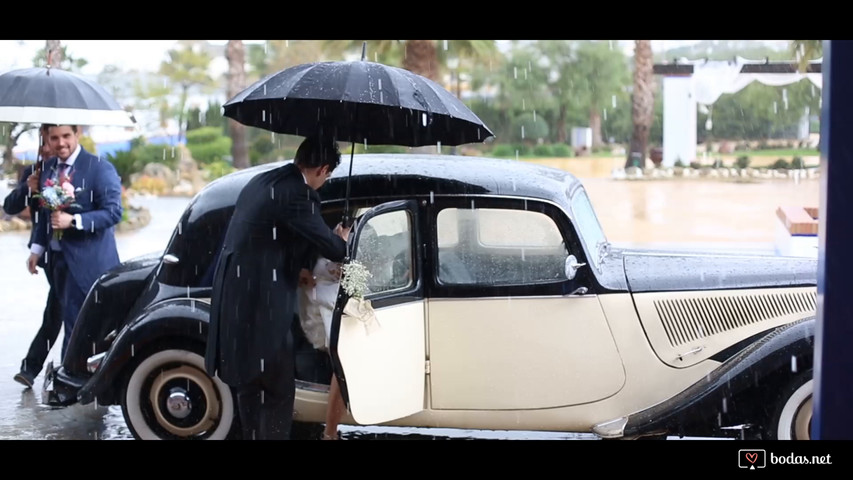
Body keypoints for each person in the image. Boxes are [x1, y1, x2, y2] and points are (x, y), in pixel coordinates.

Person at [205, 136, 350, 441]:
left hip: (234, 300)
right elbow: (334, 248)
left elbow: (272, 234)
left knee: (249, 389)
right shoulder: (299, 194)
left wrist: (300, 265)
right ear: (323, 169)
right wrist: (341, 238)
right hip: (263, 309)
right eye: (328, 176)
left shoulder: (264, 180)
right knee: (278, 392)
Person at [27, 124, 123, 363]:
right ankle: (73, 376)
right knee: (70, 321)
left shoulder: (99, 168)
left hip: (91, 261)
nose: (60, 143)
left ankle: (73, 378)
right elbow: (43, 215)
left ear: (77, 133)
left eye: (66, 136)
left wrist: (75, 220)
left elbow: (113, 213)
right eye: (54, 138)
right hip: (58, 262)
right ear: (47, 140)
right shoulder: (48, 169)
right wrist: (36, 250)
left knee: (88, 324)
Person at [5, 126, 63, 388]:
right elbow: (10, 206)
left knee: (59, 309)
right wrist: (28, 189)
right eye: (45, 143)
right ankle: (38, 368)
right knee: (59, 308)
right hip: (48, 255)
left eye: (53, 142)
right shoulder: (33, 172)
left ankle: (33, 367)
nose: (48, 149)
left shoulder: (71, 172)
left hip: (74, 253)